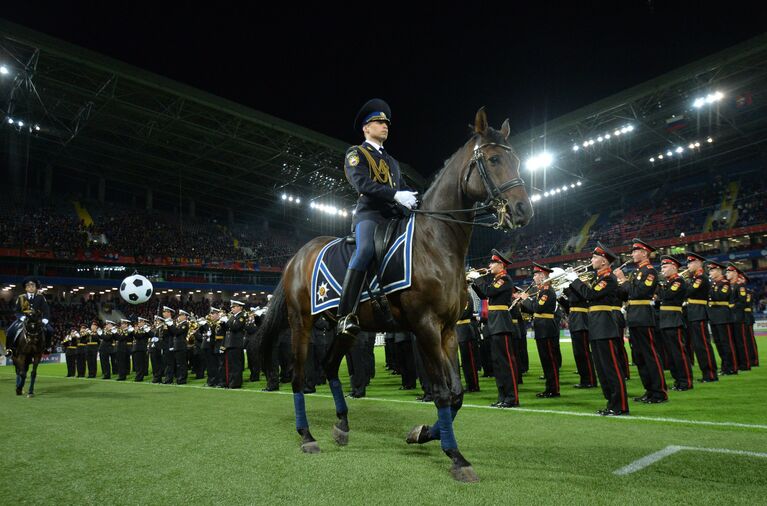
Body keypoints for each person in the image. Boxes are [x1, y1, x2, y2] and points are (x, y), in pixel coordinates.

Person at [336, 98, 418, 341]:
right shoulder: (356, 153)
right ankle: (345, 314)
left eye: (387, 123)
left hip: (394, 217)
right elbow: (362, 183)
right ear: (366, 128)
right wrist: (395, 194)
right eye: (379, 122)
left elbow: (403, 188)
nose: (385, 126)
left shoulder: (392, 161)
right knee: (365, 250)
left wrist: (416, 198)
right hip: (370, 215)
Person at [566, 243, 629, 416]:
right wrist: (570, 284)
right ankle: (611, 403)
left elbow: (590, 295)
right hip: (596, 325)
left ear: (603, 261)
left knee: (611, 368)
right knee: (602, 368)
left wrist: (575, 280)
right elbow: (586, 297)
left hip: (605, 325)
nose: (591, 260)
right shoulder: (599, 278)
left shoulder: (608, 278)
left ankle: (620, 405)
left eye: (594, 257)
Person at [614, 238, 668, 404]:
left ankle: (659, 392)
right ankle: (649, 390)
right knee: (640, 357)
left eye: (635, 251)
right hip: (634, 316)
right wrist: (618, 283)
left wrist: (623, 280)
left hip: (644, 315)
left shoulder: (650, 271)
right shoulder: (636, 272)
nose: (632, 254)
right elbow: (626, 295)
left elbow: (639, 293)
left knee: (650, 355)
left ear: (644, 253)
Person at [469, 249, 519, 408]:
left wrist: (478, 279)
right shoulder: (495, 279)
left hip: (502, 323)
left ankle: (512, 397)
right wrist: (474, 282)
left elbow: (489, 291)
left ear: (501, 264)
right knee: (497, 363)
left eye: (492, 262)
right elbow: (484, 295)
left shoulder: (505, 279)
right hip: (494, 323)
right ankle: (502, 396)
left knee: (506, 363)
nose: (489, 265)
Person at [516, 263, 561, 398]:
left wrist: (525, 299)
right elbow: (533, 309)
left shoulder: (547, 290)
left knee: (550, 361)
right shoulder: (542, 290)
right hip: (542, 329)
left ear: (542, 275)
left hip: (547, 328)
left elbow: (538, 308)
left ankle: (554, 389)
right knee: (545, 361)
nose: (534, 277)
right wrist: (522, 304)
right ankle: (549, 388)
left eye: (536, 274)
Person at [657, 256, 693, 391]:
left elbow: (666, 296)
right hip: (666, 320)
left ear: (674, 267)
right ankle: (678, 381)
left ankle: (686, 382)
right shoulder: (668, 282)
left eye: (665, 267)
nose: (662, 269)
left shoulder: (678, 281)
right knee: (671, 355)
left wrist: (660, 284)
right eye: (662, 267)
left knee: (679, 353)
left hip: (674, 319)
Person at [683, 252, 718, 382]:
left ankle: (710, 374)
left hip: (699, 312)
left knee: (703, 344)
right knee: (698, 345)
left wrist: (682, 282)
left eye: (691, 262)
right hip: (694, 313)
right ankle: (707, 373)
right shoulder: (695, 278)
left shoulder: (700, 278)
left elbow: (689, 292)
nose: (688, 265)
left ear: (698, 263)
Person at [5, 277, 53, 356]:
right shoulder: (21, 297)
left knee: (50, 330)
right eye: (28, 286)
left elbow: (46, 310)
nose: (31, 287)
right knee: (10, 331)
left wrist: (45, 319)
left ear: (35, 287)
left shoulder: (41, 297)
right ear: (26, 288)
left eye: (32, 285)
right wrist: (21, 317)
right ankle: (9, 349)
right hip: (23, 319)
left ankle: (47, 347)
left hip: (37, 319)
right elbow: (17, 311)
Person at [708, 261, 738, 375]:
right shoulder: (714, 284)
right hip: (714, 316)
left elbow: (720, 296)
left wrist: (709, 287)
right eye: (710, 270)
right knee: (719, 343)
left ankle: (732, 367)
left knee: (727, 343)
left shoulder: (725, 283)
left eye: (712, 270)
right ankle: (725, 367)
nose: (710, 272)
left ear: (719, 271)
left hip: (723, 315)